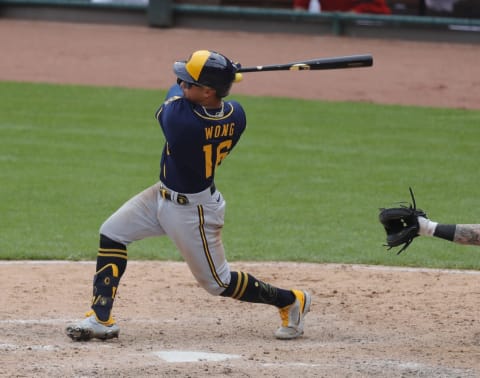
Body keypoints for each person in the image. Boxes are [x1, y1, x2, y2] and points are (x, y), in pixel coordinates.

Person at [65, 50, 311, 342]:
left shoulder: (181, 123)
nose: (181, 84)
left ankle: (290, 300)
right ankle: (100, 318)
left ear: (207, 92)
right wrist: (223, 76)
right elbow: (205, 94)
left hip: (193, 212)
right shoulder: (237, 114)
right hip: (160, 195)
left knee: (218, 283)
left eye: (188, 82)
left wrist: (223, 75)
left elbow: (173, 91)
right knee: (112, 233)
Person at [293, 0, 391, 14]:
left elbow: (384, 10)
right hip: (327, 26)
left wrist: (356, 11)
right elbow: (300, 7)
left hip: (355, 27)